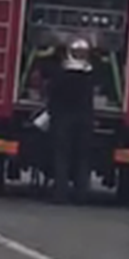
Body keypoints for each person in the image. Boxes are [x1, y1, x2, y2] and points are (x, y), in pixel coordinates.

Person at [47, 36, 95, 203]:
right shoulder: (90, 75)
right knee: (83, 158)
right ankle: (81, 194)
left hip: (63, 121)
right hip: (85, 121)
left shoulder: (60, 73)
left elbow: (52, 94)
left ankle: (60, 194)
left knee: (62, 157)